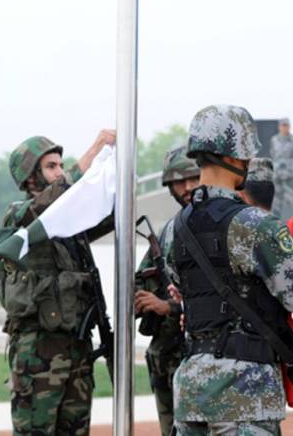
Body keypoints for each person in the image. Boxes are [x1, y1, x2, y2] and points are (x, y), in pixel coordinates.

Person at [165, 105, 293, 435]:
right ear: (238, 157)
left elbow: (184, 290)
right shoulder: (255, 225)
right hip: (244, 392)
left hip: (191, 391)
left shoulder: (174, 229)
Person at [0, 130, 115, 435]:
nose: (59, 172)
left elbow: (107, 213)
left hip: (76, 348)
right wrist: (95, 150)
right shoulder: (20, 218)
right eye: (51, 167)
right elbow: (53, 200)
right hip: (38, 353)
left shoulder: (69, 225)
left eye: (61, 165)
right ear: (30, 176)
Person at [133, 145, 199, 436]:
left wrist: (168, 307)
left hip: (201, 357)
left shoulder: (219, 226)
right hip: (166, 356)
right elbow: (143, 276)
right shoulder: (170, 231)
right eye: (178, 182)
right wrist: (140, 300)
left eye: (193, 178)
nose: (187, 188)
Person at [269, 118, 293, 221]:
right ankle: (275, 221)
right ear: (279, 127)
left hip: (291, 175)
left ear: (289, 127)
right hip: (278, 174)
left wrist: (291, 164)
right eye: (282, 125)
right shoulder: (274, 140)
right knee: (276, 199)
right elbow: (273, 153)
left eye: (286, 125)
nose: (284, 127)